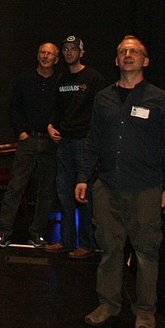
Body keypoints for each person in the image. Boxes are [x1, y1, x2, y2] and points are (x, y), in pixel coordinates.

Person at [78, 36, 165, 328]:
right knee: (110, 249)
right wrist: (83, 178)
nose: (128, 55)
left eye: (134, 51)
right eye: (123, 51)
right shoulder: (104, 98)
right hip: (107, 186)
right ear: (116, 61)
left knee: (147, 252)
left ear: (145, 61)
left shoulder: (160, 100)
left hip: (146, 188)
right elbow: (92, 141)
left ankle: (146, 311)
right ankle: (108, 305)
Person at [44, 35, 106, 257]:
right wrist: (51, 126)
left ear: (82, 52)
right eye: (66, 49)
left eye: (73, 49)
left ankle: (87, 244)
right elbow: (57, 110)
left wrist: (93, 140)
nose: (69, 52)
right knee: (64, 192)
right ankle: (67, 240)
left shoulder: (94, 78)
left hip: (84, 143)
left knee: (85, 192)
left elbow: (101, 113)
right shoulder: (61, 79)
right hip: (64, 142)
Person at [0, 42, 60, 248]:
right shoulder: (26, 79)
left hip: (51, 144)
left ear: (56, 59)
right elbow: (14, 108)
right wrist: (21, 133)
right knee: (15, 187)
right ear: (37, 55)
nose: (45, 56)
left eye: (50, 54)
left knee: (46, 190)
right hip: (28, 141)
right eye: (42, 52)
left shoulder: (61, 81)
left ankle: (37, 233)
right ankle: (3, 232)